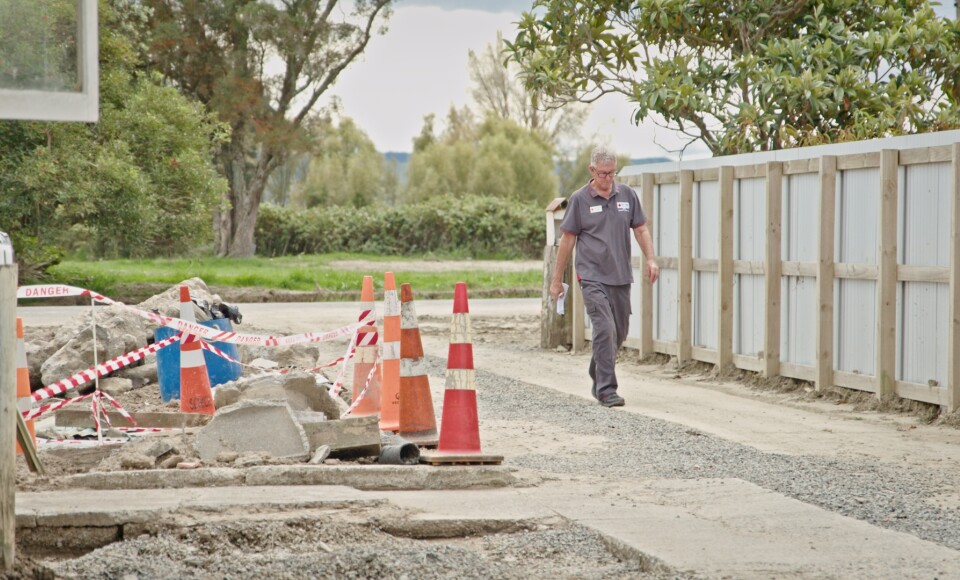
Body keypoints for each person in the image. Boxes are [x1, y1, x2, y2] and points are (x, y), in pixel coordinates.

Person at [549, 146, 659, 407]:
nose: (608, 179)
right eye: (603, 174)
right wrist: (556, 280)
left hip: (620, 276)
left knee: (619, 332)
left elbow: (641, 230)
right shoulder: (580, 199)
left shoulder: (627, 196)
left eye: (612, 173)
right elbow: (567, 241)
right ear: (592, 170)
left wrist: (651, 259)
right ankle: (607, 389)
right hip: (591, 275)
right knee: (604, 328)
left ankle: (596, 372)